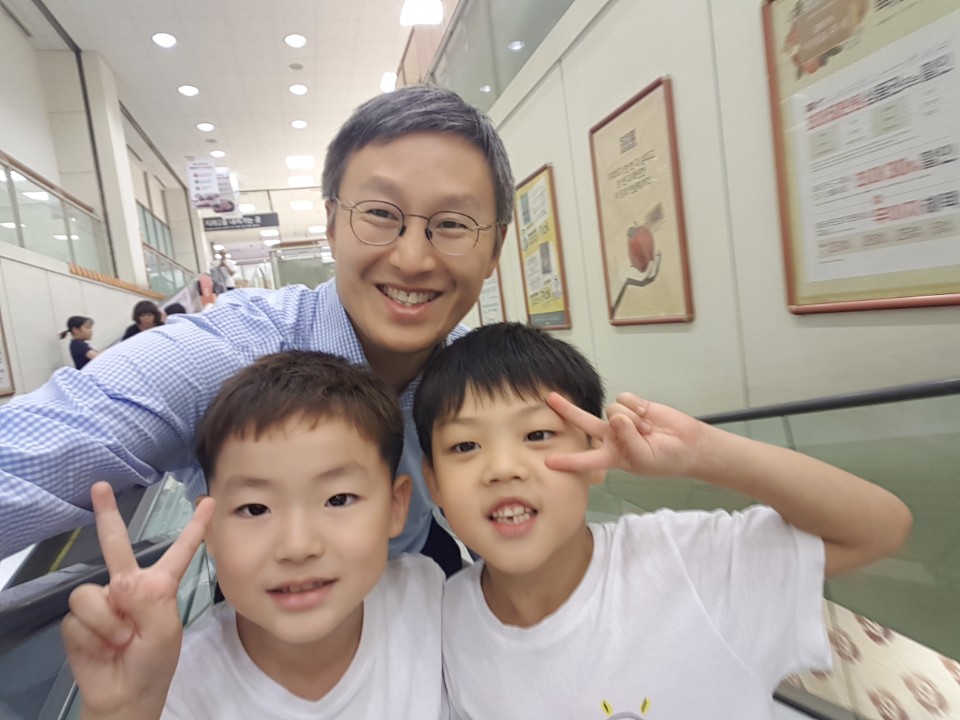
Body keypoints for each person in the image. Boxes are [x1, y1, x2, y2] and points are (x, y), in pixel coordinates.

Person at [0, 84, 513, 570]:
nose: (413, 259)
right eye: (380, 213)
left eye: (453, 223)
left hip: (425, 588)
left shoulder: (485, 380)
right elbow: (34, 454)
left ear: (495, 248)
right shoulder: (233, 354)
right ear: (332, 225)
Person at [412, 323, 913, 719]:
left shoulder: (686, 561)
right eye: (465, 445)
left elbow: (878, 529)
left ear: (597, 455)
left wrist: (705, 453)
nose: (503, 468)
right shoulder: (443, 621)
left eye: (538, 435)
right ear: (432, 483)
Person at [61, 351, 446, 719]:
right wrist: (120, 712)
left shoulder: (430, 601)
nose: (297, 547)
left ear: (395, 507)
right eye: (255, 509)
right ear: (209, 526)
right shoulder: (170, 681)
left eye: (338, 499)